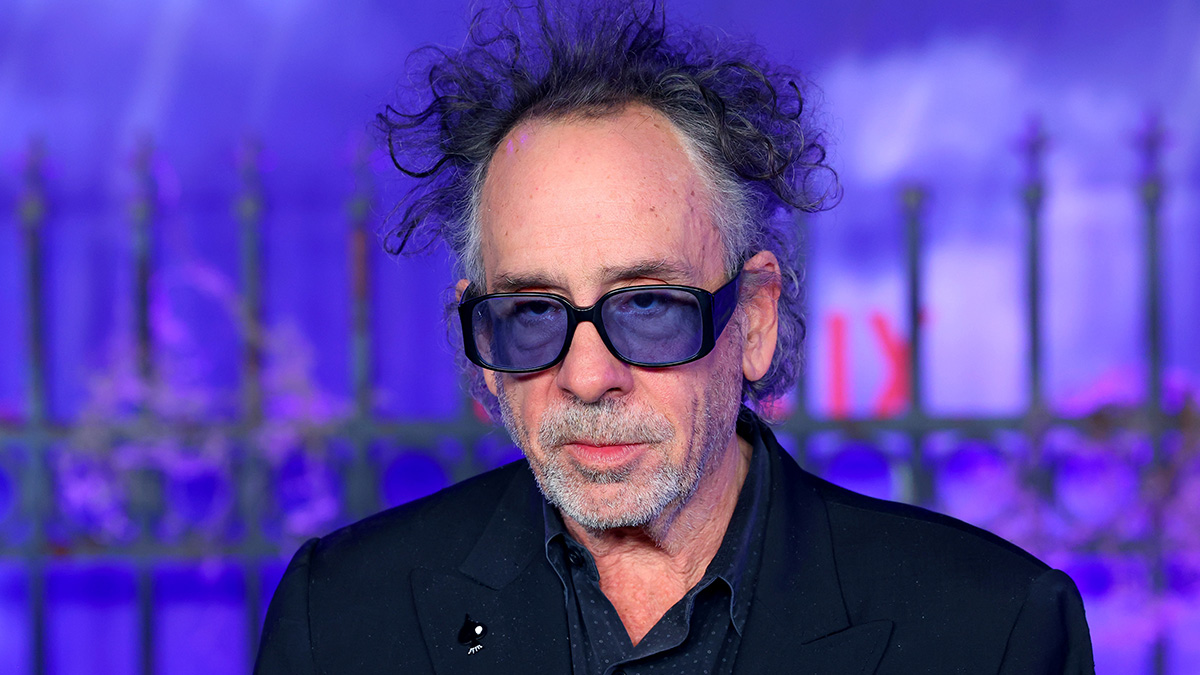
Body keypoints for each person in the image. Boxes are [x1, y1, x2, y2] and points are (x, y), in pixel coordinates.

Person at [255, 2, 1094, 673]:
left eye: (646, 305)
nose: (587, 375)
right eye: (534, 311)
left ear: (754, 319)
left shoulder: (992, 634)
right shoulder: (340, 620)